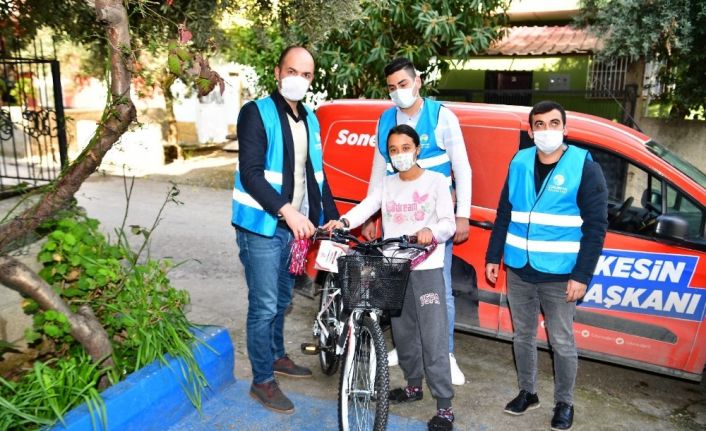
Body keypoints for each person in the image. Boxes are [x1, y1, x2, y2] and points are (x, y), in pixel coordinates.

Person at [484, 101, 608, 431]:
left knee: (562, 342)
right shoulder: (520, 161)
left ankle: (564, 402)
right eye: (539, 124)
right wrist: (492, 256)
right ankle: (528, 392)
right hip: (519, 268)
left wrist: (582, 275)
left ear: (565, 128)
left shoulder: (584, 165)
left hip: (560, 273)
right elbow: (504, 214)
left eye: (554, 123)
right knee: (522, 336)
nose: (546, 130)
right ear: (530, 131)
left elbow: (597, 226)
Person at [324, 124, 457, 431]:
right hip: (393, 268)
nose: (400, 155)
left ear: (417, 149)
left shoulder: (437, 181)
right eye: (394, 150)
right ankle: (413, 386)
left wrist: (431, 232)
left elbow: (448, 224)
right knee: (403, 331)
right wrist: (343, 220)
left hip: (426, 269)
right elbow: (368, 206)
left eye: (405, 148)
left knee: (433, 337)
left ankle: (445, 406)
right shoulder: (387, 184)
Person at [231, 45, 339, 414]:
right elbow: (251, 174)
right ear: (278, 72)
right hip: (261, 226)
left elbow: (316, 175)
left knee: (282, 300)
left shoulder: (310, 119)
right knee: (263, 306)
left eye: (306, 75)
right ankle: (262, 380)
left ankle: (276, 356)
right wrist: (286, 211)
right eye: (292, 71)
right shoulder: (255, 113)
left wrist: (332, 216)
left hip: (293, 231)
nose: (299, 80)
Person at [362, 57, 472, 385]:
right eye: (392, 88)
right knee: (399, 287)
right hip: (398, 218)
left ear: (418, 81)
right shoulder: (385, 121)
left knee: (440, 289)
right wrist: (370, 216)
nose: (398, 92)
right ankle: (406, 349)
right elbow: (378, 173)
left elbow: (462, 168)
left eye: (403, 84)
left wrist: (461, 214)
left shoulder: (442, 117)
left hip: (434, 221)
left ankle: (446, 353)